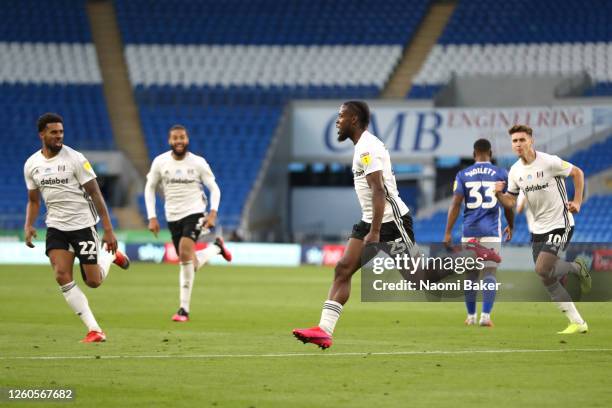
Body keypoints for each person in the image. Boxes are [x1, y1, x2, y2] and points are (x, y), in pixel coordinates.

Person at [292, 101, 499, 349]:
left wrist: (376, 231)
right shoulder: (362, 147)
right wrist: (371, 227)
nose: (337, 121)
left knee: (421, 279)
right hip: (370, 220)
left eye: (341, 116)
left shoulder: (368, 147)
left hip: (391, 222)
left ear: (354, 120)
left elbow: (379, 190)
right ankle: (324, 330)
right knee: (343, 269)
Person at [23, 113, 130, 343]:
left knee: (93, 282)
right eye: (54, 132)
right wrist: (29, 224)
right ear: (42, 134)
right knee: (61, 274)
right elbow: (33, 200)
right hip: (56, 227)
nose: (59, 136)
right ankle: (94, 329)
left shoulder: (75, 158)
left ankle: (110, 257)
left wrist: (108, 230)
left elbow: (95, 193)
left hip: (82, 225)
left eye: (61, 132)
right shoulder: (32, 164)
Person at [494, 124, 591, 334]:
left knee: (541, 268)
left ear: (531, 140)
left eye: (522, 140)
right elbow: (510, 201)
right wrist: (499, 195)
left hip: (560, 223)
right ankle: (578, 322)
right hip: (537, 228)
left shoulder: (549, 161)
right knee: (546, 276)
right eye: (514, 141)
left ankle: (576, 268)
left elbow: (578, 173)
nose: (518, 144)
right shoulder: (515, 171)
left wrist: (577, 201)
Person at [144, 124, 232, 323]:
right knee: (189, 262)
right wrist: (152, 216)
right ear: (169, 141)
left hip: (195, 212)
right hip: (172, 216)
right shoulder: (160, 162)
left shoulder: (198, 163)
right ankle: (216, 249)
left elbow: (214, 188)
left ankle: (184, 310)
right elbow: (149, 188)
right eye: (175, 138)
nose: (179, 141)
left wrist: (212, 213)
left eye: (182, 137)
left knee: (184, 253)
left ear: (187, 139)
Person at [444, 138, 514, 327]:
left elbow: (455, 204)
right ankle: (485, 317)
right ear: (490, 154)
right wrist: (511, 224)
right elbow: (508, 204)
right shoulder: (501, 173)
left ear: (474, 154)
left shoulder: (463, 174)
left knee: (471, 275)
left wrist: (448, 232)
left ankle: (470, 316)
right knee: (489, 273)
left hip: (470, 231)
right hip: (491, 230)